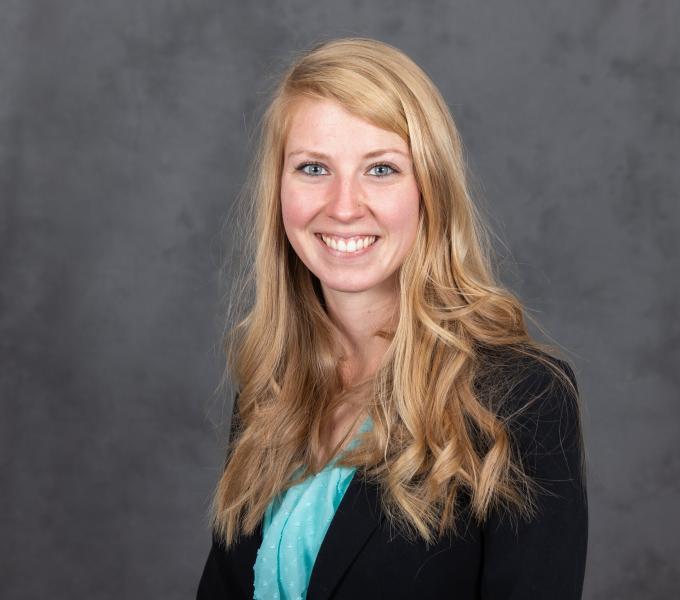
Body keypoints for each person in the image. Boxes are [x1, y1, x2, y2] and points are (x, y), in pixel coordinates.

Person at [197, 37, 588, 599]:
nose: (344, 205)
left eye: (380, 169)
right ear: (278, 191)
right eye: (313, 168)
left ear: (430, 191)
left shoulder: (522, 400)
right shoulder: (271, 392)